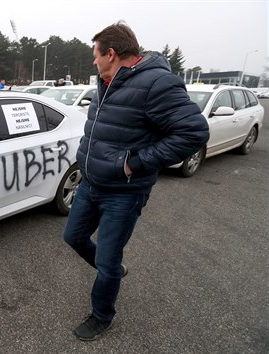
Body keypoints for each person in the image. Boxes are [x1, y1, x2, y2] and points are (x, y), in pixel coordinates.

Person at [62, 21, 209, 341]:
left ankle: (102, 314)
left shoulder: (157, 83)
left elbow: (194, 133)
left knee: (106, 260)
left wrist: (136, 164)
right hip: (90, 183)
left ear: (111, 53)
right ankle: (113, 269)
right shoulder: (107, 80)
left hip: (123, 193)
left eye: (95, 55)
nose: (93, 61)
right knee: (72, 237)